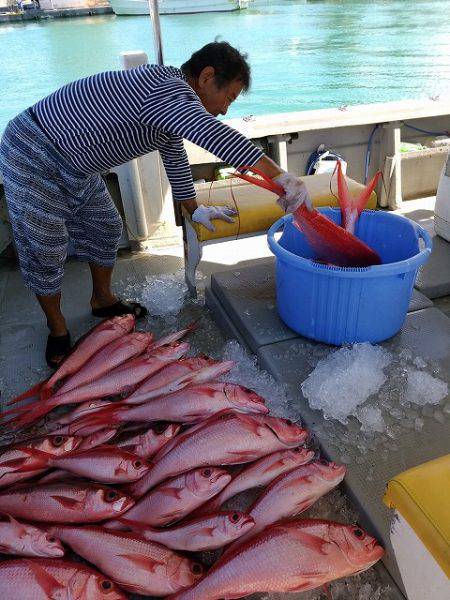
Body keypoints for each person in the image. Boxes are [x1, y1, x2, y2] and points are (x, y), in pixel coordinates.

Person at [0, 41, 311, 368]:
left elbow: (175, 155)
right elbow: (213, 135)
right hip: (32, 152)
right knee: (46, 249)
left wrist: (194, 208)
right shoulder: (164, 88)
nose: (224, 109)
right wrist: (282, 178)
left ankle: (102, 300)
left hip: (79, 166)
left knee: (105, 227)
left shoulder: (170, 102)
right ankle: (57, 327)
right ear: (206, 77)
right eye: (228, 98)